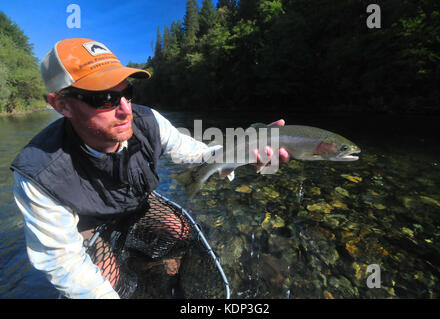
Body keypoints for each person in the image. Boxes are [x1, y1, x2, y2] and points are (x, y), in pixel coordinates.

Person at [10, 38, 289, 299]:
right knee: (107, 280)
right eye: (104, 98)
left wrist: (243, 152)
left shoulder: (149, 120)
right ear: (61, 105)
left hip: (134, 206)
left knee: (177, 231)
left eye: (127, 92)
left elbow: (196, 155)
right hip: (88, 227)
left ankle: (149, 267)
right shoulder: (38, 175)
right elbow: (63, 263)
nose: (126, 110)